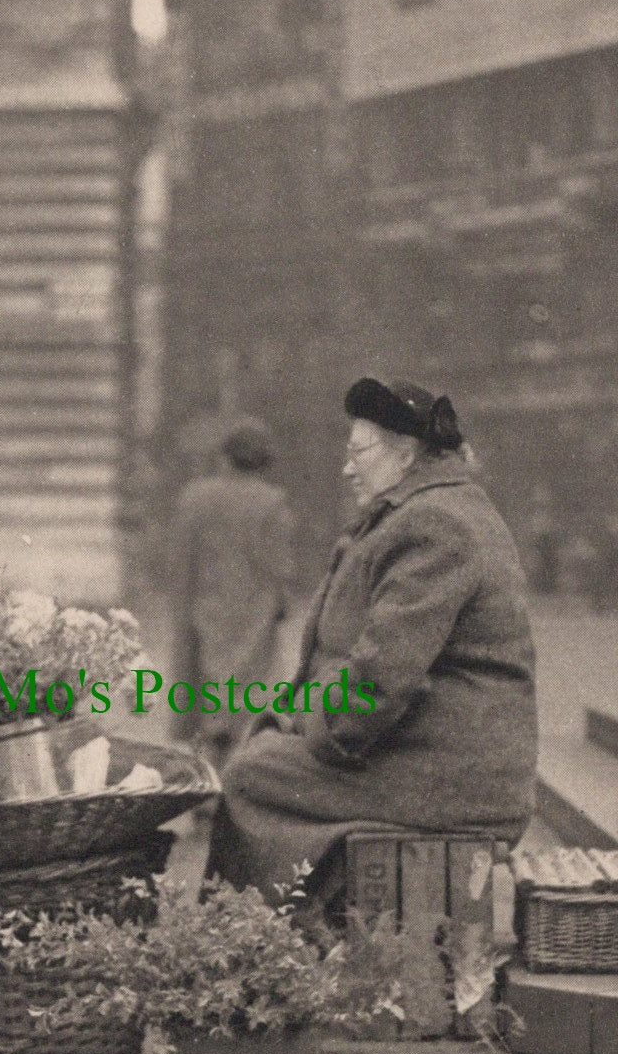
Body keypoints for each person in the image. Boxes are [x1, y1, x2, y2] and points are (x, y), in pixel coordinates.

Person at [207, 378, 537, 921]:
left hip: (453, 776)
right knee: (265, 754)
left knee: (251, 778)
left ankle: (249, 954)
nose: (347, 467)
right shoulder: (433, 511)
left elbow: (381, 677)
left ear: (406, 453)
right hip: (436, 755)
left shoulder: (435, 523)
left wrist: (313, 734)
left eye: (358, 452)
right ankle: (288, 940)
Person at [169, 416, 296, 766]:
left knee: (205, 707)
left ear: (225, 458)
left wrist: (185, 607)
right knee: (249, 705)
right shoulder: (271, 502)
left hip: (204, 613)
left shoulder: (194, 497)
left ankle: (204, 789)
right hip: (253, 617)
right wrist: (280, 606)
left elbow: (181, 562)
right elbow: (280, 568)